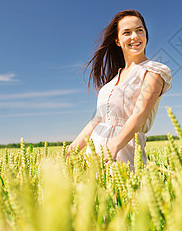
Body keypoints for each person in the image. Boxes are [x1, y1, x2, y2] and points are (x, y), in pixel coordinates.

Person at [66, 10, 173, 171]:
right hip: (94, 157)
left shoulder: (154, 71)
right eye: (127, 32)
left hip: (124, 155)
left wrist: (113, 147)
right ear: (117, 40)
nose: (135, 36)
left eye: (139, 30)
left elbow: (140, 114)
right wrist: (72, 149)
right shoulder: (110, 83)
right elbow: (96, 121)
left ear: (146, 35)